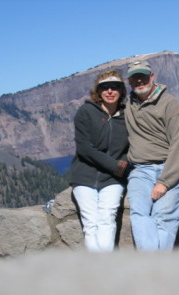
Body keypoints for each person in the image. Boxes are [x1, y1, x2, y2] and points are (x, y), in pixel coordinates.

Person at [125, 60, 179, 251]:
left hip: (170, 169)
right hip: (141, 169)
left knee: (164, 217)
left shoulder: (169, 104)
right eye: (135, 78)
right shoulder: (129, 103)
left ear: (152, 77)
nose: (140, 81)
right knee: (138, 213)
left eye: (143, 77)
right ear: (129, 81)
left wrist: (165, 181)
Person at [70, 69, 129, 252]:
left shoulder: (128, 115)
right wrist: (115, 165)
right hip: (85, 175)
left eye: (115, 87)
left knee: (107, 218)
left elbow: (137, 144)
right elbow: (85, 148)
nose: (110, 91)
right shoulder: (86, 112)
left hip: (113, 179)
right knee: (91, 222)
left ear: (121, 91)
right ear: (98, 91)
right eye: (105, 87)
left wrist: (125, 163)